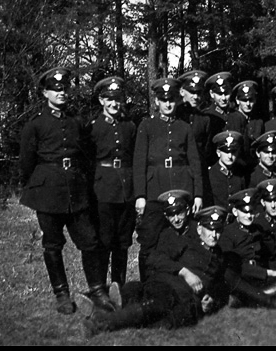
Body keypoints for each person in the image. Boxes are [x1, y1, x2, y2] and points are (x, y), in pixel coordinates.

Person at [20, 67, 114, 314]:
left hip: (76, 192)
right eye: (56, 89)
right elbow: (26, 164)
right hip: (47, 193)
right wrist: (38, 187)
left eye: (65, 88)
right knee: (53, 245)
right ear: (45, 92)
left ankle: (97, 290)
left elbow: (85, 155)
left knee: (90, 242)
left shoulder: (76, 122)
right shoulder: (36, 125)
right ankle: (62, 294)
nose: (62, 93)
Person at [81, 203, 230, 336]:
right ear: (199, 229)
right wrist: (184, 271)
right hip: (165, 287)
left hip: (184, 303)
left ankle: (103, 313)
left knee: (159, 321)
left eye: (218, 230)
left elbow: (221, 288)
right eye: (209, 229)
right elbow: (155, 259)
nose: (214, 235)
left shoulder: (220, 259)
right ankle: (104, 321)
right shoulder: (186, 243)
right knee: (146, 296)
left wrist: (211, 300)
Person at [133, 77, 203, 279]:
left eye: (172, 99)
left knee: (182, 238)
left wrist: (198, 194)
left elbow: (194, 163)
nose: (168, 104)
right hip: (155, 189)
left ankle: (180, 281)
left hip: (181, 186)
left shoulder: (184, 127)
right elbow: (139, 163)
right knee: (150, 239)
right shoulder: (146, 126)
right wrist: (140, 195)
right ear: (156, 102)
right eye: (164, 100)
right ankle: (147, 284)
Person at [87, 76, 137, 286]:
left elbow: (134, 156)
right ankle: (99, 288)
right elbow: (87, 161)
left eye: (118, 99)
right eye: (109, 99)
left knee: (122, 242)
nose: (114, 103)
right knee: (104, 240)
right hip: (103, 190)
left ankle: (119, 286)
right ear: (101, 101)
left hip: (126, 189)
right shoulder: (93, 127)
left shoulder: (130, 126)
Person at [219, 189, 276, 311]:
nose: (249, 216)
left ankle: (249, 300)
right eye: (244, 212)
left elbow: (273, 254)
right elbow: (233, 266)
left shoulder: (258, 230)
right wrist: (268, 273)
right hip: (242, 280)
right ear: (235, 211)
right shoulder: (227, 233)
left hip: (260, 281)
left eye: (252, 212)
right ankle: (268, 301)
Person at [177, 70, 213, 194]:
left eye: (198, 93)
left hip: (198, 174)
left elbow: (206, 150)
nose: (196, 97)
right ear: (182, 92)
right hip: (179, 172)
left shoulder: (204, 119)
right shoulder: (175, 116)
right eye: (191, 92)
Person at [205, 130, 248, 208]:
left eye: (233, 152)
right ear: (218, 152)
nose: (230, 156)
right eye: (226, 152)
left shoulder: (241, 173)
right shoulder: (210, 174)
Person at [227, 80, 265, 161]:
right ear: (237, 100)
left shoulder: (258, 122)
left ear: (255, 100)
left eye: (251, 100)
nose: (248, 104)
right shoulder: (232, 119)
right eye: (244, 100)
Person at [203, 71, 233, 140]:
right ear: (212, 94)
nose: (223, 98)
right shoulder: (206, 116)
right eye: (219, 94)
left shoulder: (237, 117)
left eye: (226, 93)